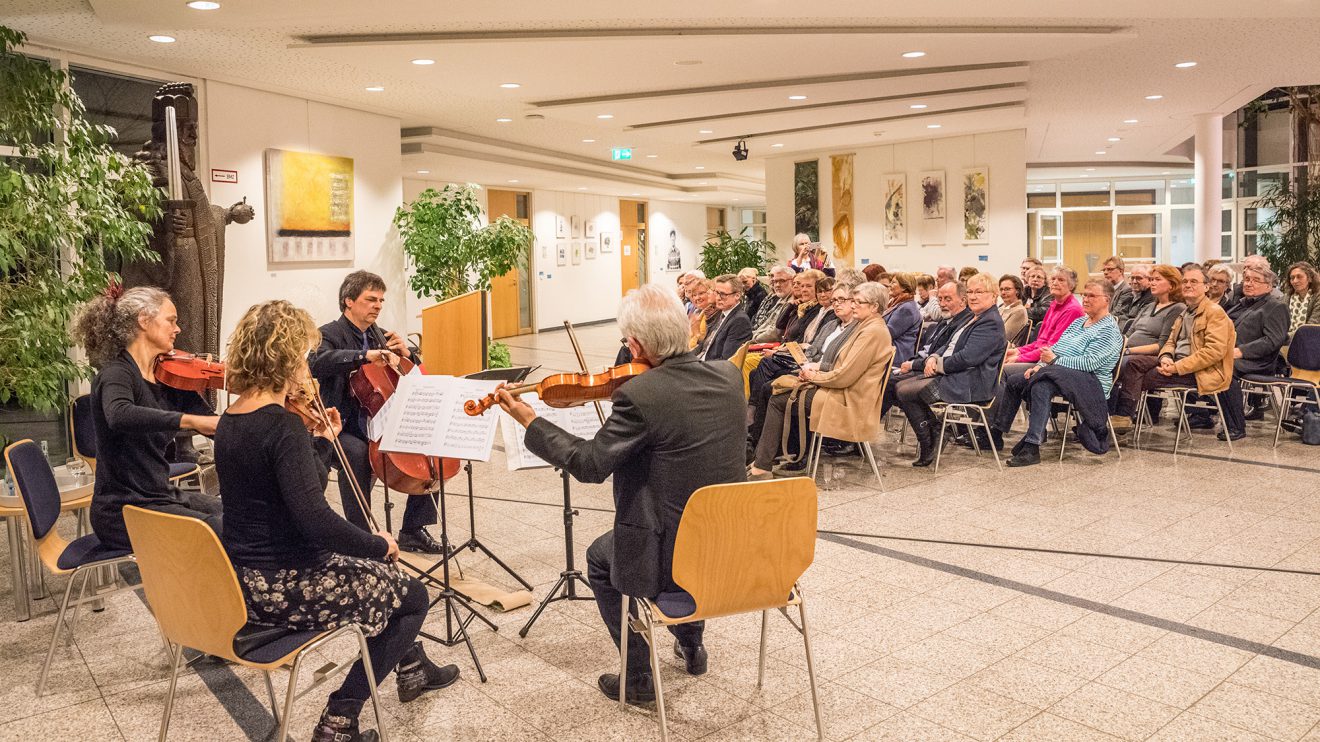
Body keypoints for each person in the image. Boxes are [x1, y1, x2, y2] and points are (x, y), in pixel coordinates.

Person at [216, 300, 458, 742]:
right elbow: (316, 521)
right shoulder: (280, 427)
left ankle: (410, 664)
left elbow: (289, 494)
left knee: (386, 580)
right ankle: (339, 718)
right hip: (289, 584)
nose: (307, 369)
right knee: (415, 594)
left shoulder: (231, 419)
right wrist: (379, 543)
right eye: (304, 357)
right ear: (286, 357)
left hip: (247, 580)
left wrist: (323, 441)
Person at [495, 284, 745, 704]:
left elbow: (591, 464)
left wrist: (529, 420)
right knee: (688, 528)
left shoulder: (639, 394)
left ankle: (639, 677)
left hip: (670, 556)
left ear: (635, 343)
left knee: (599, 557)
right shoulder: (728, 376)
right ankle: (691, 643)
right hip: (730, 547)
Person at [70, 285, 222, 552]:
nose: (178, 329)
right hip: (124, 510)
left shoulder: (169, 376)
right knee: (219, 532)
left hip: (160, 496)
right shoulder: (116, 373)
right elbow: (119, 415)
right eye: (171, 321)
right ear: (143, 320)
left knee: (240, 517)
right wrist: (189, 421)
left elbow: (213, 424)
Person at [308, 271, 440, 553]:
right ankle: (361, 537)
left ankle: (414, 529)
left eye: (381, 300)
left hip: (381, 419)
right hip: (341, 424)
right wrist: (364, 356)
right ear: (349, 301)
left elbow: (407, 375)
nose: (378, 305)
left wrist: (407, 353)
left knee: (430, 449)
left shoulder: (379, 334)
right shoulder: (330, 333)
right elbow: (317, 362)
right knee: (355, 454)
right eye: (371, 299)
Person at [748, 282, 893, 478]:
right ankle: (766, 458)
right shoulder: (866, 326)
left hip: (849, 399)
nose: (853, 305)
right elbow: (840, 366)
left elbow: (844, 376)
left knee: (778, 399)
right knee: (776, 389)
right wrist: (814, 371)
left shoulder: (871, 331)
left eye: (858, 302)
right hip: (843, 390)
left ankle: (763, 464)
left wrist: (814, 376)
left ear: (874, 307)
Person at [990, 280, 1124, 466]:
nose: (1085, 299)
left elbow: (1091, 363)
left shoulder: (1108, 330)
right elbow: (1056, 349)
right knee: (1015, 380)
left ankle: (1032, 446)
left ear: (1106, 300)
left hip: (1091, 382)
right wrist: (1040, 366)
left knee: (1042, 386)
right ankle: (997, 432)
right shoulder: (1079, 322)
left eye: (1091, 295)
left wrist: (1053, 362)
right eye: (1084, 294)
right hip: (1060, 373)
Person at [892, 273, 1006, 467]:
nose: (973, 296)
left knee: (904, 390)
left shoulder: (991, 322)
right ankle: (934, 433)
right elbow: (951, 346)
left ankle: (932, 438)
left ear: (994, 295)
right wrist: (935, 357)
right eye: (970, 292)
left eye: (979, 292)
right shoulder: (977, 317)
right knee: (900, 386)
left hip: (972, 382)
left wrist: (938, 365)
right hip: (958, 374)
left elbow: (968, 357)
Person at [1109, 265, 1237, 436]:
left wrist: (1178, 366)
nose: (1188, 285)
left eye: (1193, 281)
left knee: (1131, 371)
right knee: (1131, 365)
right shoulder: (1187, 311)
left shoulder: (1214, 313)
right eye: (1185, 281)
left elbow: (1213, 352)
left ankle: (1120, 420)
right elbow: (1170, 342)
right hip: (1176, 362)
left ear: (1206, 287)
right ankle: (1115, 418)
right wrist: (1166, 357)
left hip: (1201, 371)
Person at [1197, 263, 1287, 433]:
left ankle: (1236, 426)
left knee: (1224, 370)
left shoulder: (1276, 307)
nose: (1248, 283)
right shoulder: (1240, 304)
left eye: (1255, 280)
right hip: (1226, 352)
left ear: (1268, 286)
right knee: (1193, 362)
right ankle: (1199, 413)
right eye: (1246, 279)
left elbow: (1272, 341)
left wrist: (1241, 351)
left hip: (1258, 360)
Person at [1001, 266, 1084, 386]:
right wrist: (1017, 351)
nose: (1055, 283)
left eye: (1061, 280)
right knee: (1000, 361)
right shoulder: (1054, 304)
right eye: (1053, 279)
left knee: (1003, 370)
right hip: (1041, 358)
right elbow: (1041, 342)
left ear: (1071, 286)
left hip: (1054, 363)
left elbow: (1052, 348)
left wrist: (1019, 358)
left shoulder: (1072, 309)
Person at [697, 274, 753, 361]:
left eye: (723, 294)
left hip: (713, 370)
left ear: (737, 296)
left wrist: (697, 366)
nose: (718, 298)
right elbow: (704, 346)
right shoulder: (721, 313)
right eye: (717, 293)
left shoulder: (740, 321)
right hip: (701, 361)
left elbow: (726, 360)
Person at [884, 273, 922, 367]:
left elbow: (888, 334)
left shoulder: (906, 309)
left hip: (897, 357)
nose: (889, 285)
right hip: (888, 351)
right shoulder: (897, 303)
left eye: (893, 283)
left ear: (904, 287)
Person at [751, 266, 794, 342]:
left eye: (782, 281)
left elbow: (776, 334)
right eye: (775, 281)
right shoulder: (780, 298)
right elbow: (766, 324)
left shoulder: (792, 302)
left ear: (793, 281)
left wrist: (753, 339)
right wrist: (750, 335)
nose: (777, 285)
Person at [1284, 262, 1320, 337]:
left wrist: (1282, 338)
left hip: (1312, 340)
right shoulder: (1286, 298)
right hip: (1285, 341)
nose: (1295, 281)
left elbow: (1311, 327)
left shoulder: (1317, 296)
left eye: (1299, 277)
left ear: (1310, 278)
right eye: (1292, 278)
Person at [997, 274, 1029, 345]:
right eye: (1001, 289)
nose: (1003, 293)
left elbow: (1003, 336)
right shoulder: (1001, 308)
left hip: (1004, 350)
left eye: (1007, 289)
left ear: (1017, 291)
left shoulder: (1019, 311)